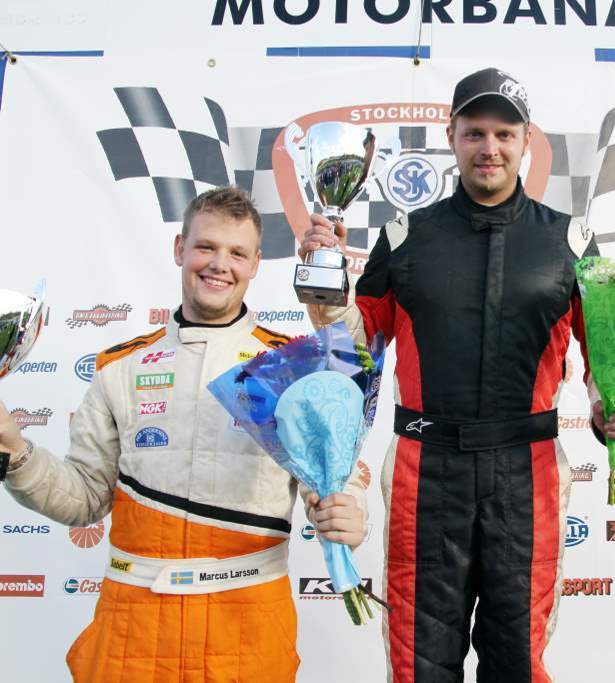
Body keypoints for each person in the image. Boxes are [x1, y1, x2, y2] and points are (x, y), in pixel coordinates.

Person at [299, 67, 615, 682]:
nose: (490, 147)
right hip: (425, 471)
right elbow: (355, 347)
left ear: (526, 140)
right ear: (451, 136)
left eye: (505, 134)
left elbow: (604, 358)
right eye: (475, 132)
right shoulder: (405, 235)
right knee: (419, 663)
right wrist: (326, 285)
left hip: (528, 473)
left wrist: (609, 405)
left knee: (518, 662)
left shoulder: (570, 239)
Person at [0, 186, 368, 682]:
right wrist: (16, 451)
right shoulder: (120, 367)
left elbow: (332, 478)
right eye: (206, 247)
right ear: (180, 249)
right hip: (133, 627)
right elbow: (84, 499)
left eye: (236, 253)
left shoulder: (290, 367)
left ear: (255, 264)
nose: (219, 264)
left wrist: (348, 511)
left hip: (247, 625)